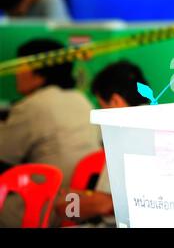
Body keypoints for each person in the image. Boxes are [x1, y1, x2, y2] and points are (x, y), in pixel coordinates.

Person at [0, 39, 100, 227]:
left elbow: (5, 157)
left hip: (43, 208)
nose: (16, 73)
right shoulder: (82, 100)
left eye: (20, 66)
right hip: (79, 207)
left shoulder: (33, 106)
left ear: (39, 74)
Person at [55, 61, 150, 227]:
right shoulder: (157, 122)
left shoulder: (126, 135)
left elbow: (106, 205)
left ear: (115, 102)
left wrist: (69, 205)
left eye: (101, 106)